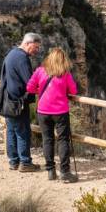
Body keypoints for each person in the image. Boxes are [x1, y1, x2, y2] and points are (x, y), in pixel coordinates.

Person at [26, 48, 78, 183]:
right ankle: (65, 172)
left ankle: (50, 170)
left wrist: (41, 90)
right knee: (63, 140)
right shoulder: (65, 74)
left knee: (47, 140)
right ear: (63, 60)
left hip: (43, 111)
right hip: (60, 112)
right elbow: (73, 90)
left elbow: (29, 88)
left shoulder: (40, 71)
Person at [2, 32, 42, 172]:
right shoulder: (22, 58)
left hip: (9, 100)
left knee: (12, 131)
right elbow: (29, 81)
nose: (37, 50)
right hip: (19, 101)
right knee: (22, 132)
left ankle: (14, 161)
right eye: (35, 47)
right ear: (27, 43)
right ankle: (25, 162)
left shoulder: (11, 54)